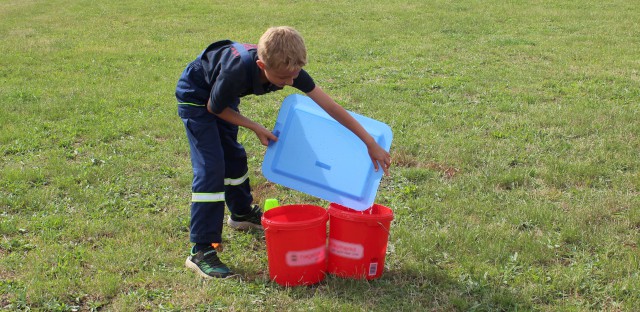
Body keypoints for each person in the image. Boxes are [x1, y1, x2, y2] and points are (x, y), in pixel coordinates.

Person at [175, 26, 391, 279]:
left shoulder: (289, 68)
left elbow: (330, 107)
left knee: (234, 157)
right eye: (281, 79)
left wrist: (369, 142)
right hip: (198, 96)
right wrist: (255, 126)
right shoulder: (237, 71)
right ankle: (201, 250)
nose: (290, 83)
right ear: (260, 65)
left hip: (223, 97)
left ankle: (242, 213)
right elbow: (214, 108)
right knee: (211, 167)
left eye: (294, 76)